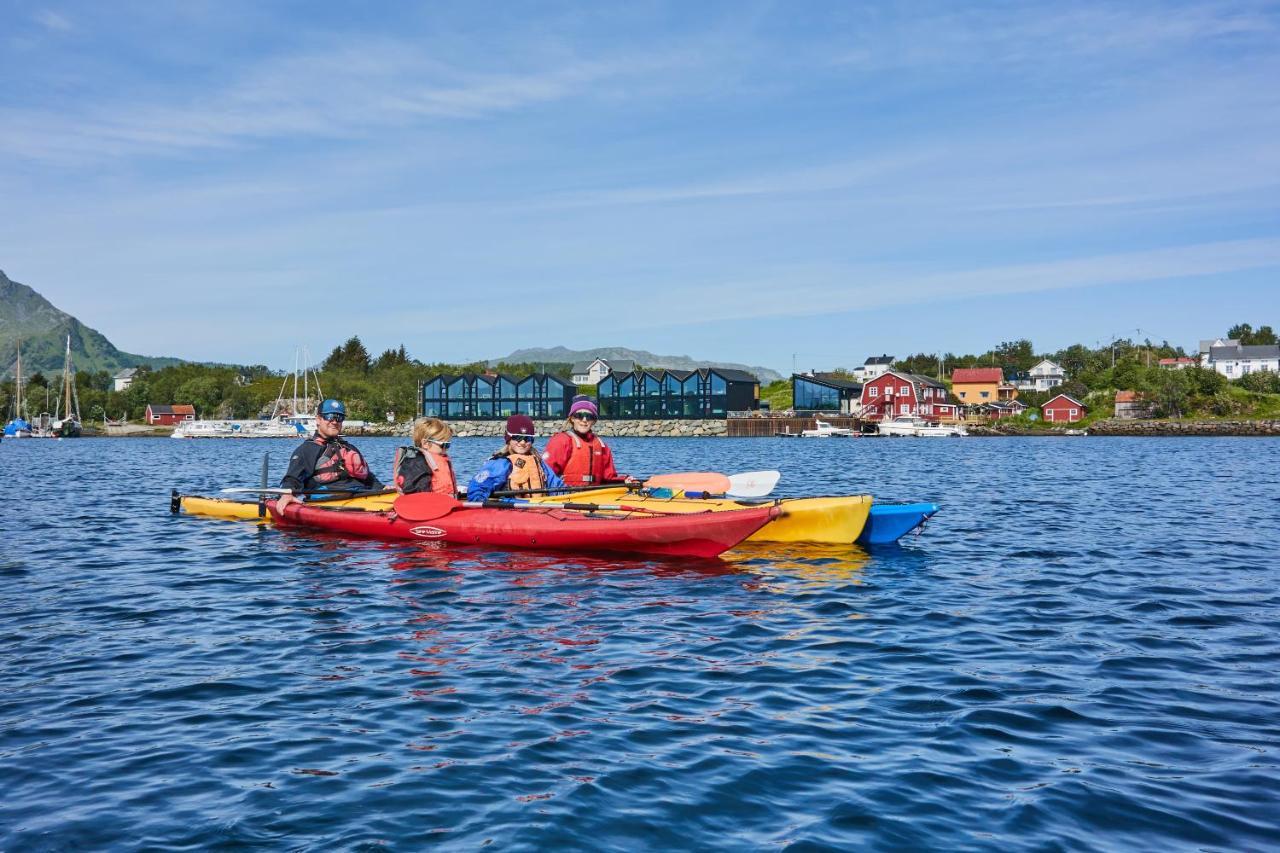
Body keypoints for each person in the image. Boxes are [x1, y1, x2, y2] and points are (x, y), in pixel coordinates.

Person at [276, 399, 383, 511]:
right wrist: (286, 494)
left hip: (363, 497)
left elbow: (369, 478)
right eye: (329, 416)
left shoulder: (349, 448)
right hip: (329, 501)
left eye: (339, 418)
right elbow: (292, 479)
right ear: (318, 419)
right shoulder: (307, 449)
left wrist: (383, 488)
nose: (334, 422)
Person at [541, 397, 639, 488]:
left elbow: (608, 478)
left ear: (594, 421)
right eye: (579, 416)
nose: (584, 420)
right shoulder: (561, 440)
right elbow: (545, 473)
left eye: (589, 416)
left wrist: (624, 480)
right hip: (566, 494)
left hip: (592, 495)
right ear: (572, 418)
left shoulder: (602, 445)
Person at [467, 413, 566, 501]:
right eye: (517, 438)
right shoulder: (501, 463)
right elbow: (477, 489)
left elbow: (558, 487)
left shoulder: (539, 463)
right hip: (511, 511)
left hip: (538, 508)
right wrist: (481, 501)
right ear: (508, 439)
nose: (522, 442)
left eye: (527, 438)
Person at [394, 417, 458, 497]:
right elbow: (418, 493)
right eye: (443, 445)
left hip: (445, 504)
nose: (446, 449)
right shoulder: (417, 463)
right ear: (425, 444)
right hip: (428, 506)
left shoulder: (440, 459)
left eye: (448, 445)